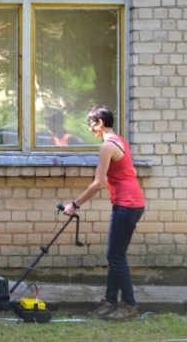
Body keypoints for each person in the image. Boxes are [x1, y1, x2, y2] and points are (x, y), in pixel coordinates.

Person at [62, 105, 146, 320]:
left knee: (116, 256)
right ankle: (110, 301)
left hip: (127, 204)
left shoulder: (107, 146)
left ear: (100, 123)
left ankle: (129, 305)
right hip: (132, 203)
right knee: (115, 255)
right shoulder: (120, 141)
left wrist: (74, 204)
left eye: (91, 124)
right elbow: (130, 172)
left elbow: (97, 184)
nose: (90, 129)